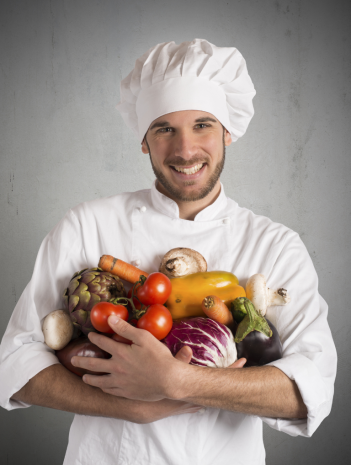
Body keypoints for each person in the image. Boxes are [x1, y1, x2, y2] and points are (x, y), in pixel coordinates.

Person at [0, 39, 337, 465]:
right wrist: (129, 407)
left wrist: (179, 382)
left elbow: (309, 392)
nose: (185, 150)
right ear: (144, 140)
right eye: (164, 129)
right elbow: (15, 366)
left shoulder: (275, 245)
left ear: (228, 131)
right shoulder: (87, 224)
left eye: (202, 125)